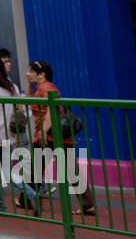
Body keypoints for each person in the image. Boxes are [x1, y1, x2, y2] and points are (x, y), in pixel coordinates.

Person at [25, 60, 95, 215]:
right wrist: (29, 83)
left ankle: (26, 199)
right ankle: (88, 204)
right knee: (69, 170)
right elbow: (29, 102)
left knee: (35, 169)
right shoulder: (39, 88)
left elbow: (51, 109)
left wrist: (43, 131)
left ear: (41, 74)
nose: (28, 74)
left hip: (49, 136)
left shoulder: (46, 88)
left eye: (31, 71)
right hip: (57, 137)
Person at [0, 55, 36, 214]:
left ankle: (3, 205)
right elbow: (21, 109)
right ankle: (26, 192)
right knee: (6, 169)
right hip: (10, 134)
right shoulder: (12, 87)